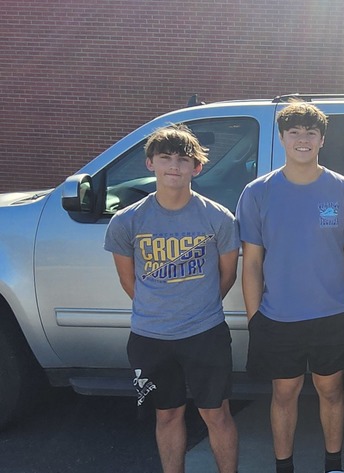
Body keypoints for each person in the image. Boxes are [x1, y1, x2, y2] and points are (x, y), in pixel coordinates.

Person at [236, 101, 344, 473]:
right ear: (282, 138)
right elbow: (253, 262)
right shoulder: (258, 192)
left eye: (311, 133)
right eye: (294, 132)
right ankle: (284, 466)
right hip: (278, 317)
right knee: (283, 393)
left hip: (332, 314)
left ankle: (334, 465)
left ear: (322, 139)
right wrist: (254, 318)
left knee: (331, 391)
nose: (303, 140)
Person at [104, 124, 240, 473]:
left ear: (197, 167)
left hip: (205, 333)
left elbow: (228, 275)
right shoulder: (127, 221)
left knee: (216, 413)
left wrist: (197, 307)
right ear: (150, 163)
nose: (174, 166)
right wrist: (160, 309)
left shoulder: (217, 217)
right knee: (167, 415)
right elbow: (128, 279)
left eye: (184, 159)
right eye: (165, 158)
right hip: (151, 337)